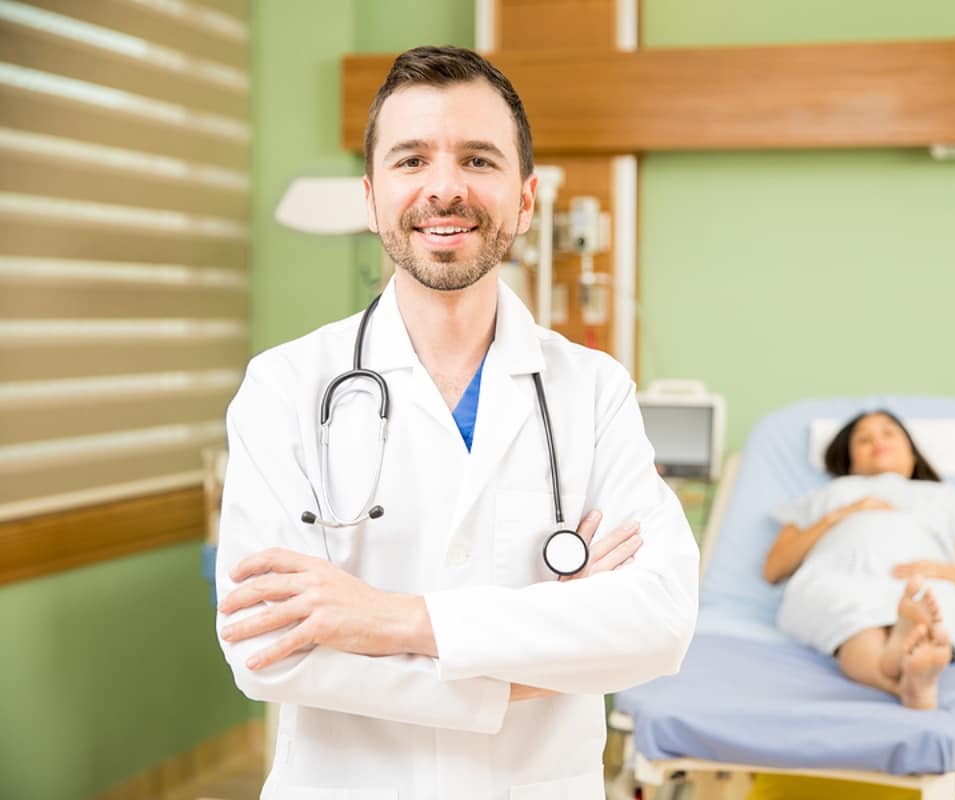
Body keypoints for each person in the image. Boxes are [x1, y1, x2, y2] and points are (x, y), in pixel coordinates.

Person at [215, 45, 699, 799]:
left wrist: (390, 620)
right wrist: (540, 657)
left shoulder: (594, 391)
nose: (445, 188)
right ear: (372, 198)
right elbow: (266, 650)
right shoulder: (285, 388)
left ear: (526, 197)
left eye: (478, 159)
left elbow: (659, 622)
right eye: (412, 161)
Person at [762, 410, 955, 710]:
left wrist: (938, 570)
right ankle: (908, 677)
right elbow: (774, 567)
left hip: (919, 578)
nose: (877, 442)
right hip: (837, 574)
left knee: (925, 601)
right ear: (850, 459)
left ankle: (902, 654)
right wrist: (841, 513)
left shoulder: (946, 497)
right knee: (850, 611)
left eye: (888, 433)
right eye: (863, 439)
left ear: (910, 448)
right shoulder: (829, 495)